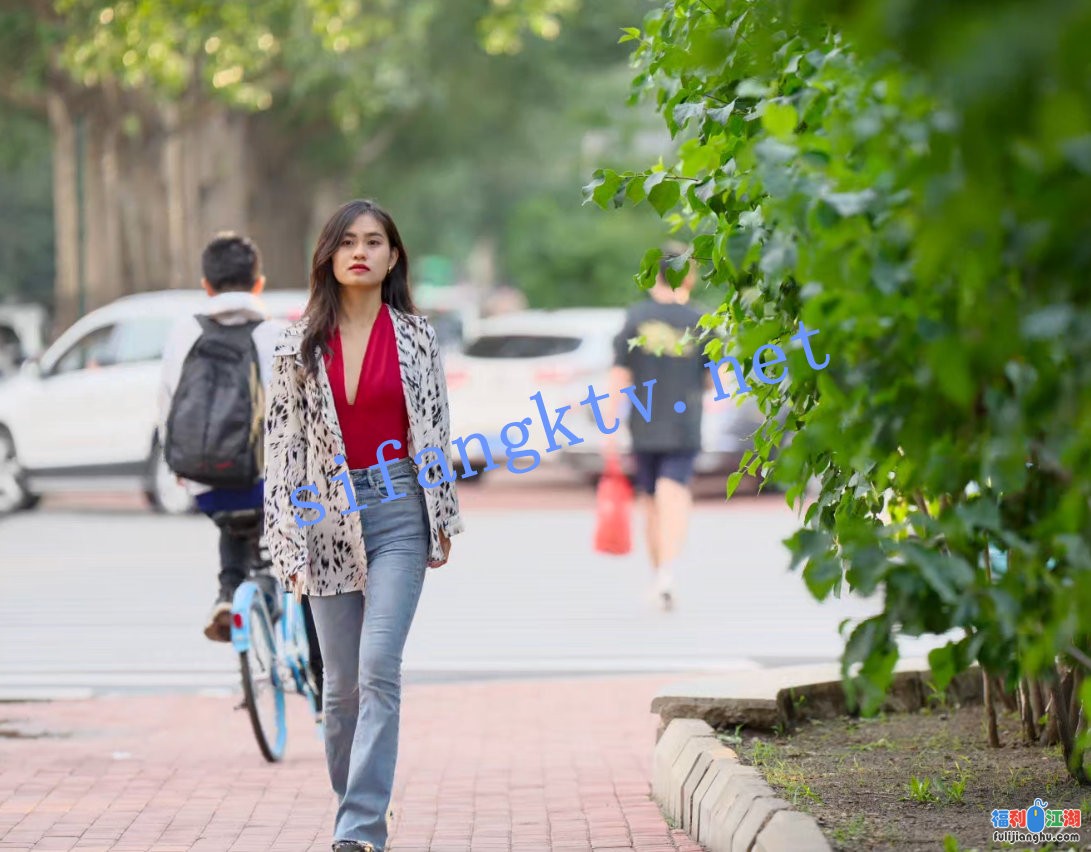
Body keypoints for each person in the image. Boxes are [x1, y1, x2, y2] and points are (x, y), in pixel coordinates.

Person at [264, 199, 464, 852]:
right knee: (341, 690)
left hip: (400, 509)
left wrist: (441, 512)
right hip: (323, 516)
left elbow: (434, 427)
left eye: (373, 241)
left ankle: (358, 830)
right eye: (347, 241)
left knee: (379, 666)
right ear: (328, 256)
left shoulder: (417, 336)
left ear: (393, 256)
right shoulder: (295, 344)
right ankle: (357, 803)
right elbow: (282, 449)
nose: (360, 252)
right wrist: (285, 539)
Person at [158, 234, 290, 638]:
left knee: (232, 518)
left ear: (206, 286)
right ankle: (316, 660)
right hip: (267, 488)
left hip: (206, 486)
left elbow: (167, 406)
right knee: (297, 549)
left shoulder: (184, 333)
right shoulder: (277, 335)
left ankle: (229, 590)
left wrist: (178, 467)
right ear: (259, 284)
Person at [605, 249, 707, 611]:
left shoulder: (636, 317)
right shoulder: (700, 320)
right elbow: (717, 380)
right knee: (671, 495)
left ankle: (660, 574)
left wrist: (609, 425)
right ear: (687, 277)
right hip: (684, 423)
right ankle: (665, 573)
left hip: (643, 426)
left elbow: (619, 375)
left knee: (651, 501)